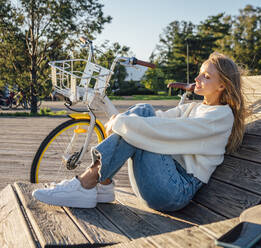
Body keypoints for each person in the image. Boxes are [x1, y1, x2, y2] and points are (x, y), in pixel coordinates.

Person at [32, 52, 247, 211]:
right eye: (199, 74)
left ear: (222, 86)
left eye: (206, 77)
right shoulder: (194, 107)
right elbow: (160, 119)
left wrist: (122, 122)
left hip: (175, 190)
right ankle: (103, 184)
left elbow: (169, 130)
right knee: (143, 111)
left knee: (139, 123)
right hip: (161, 179)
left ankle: (86, 183)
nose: (197, 79)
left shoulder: (221, 116)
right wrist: (126, 121)